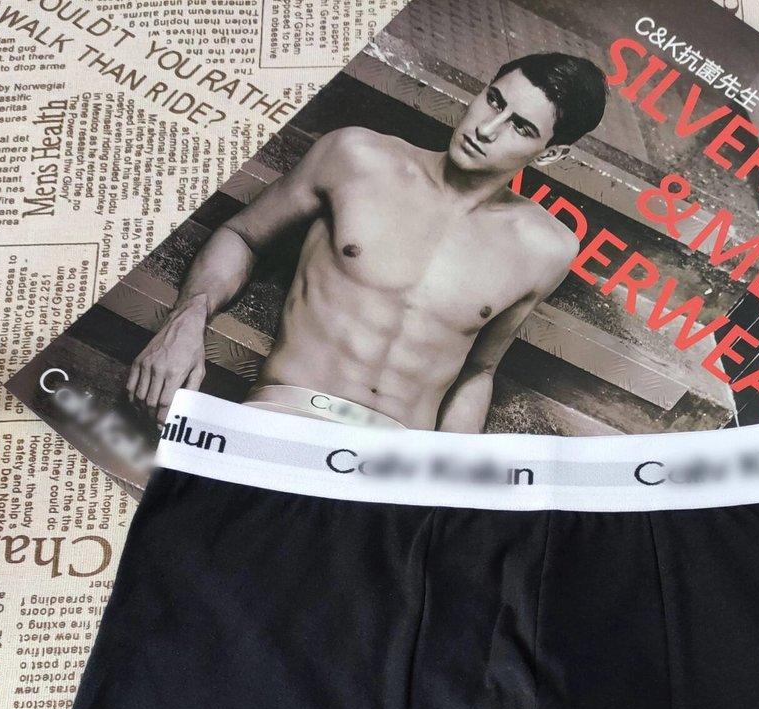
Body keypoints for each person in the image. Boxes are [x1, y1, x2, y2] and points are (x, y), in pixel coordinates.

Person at [127, 51, 607, 432]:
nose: (487, 128)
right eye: (495, 101)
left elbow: (479, 370)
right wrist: (188, 318)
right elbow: (243, 235)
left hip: (396, 461)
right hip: (288, 416)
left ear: (551, 153)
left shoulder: (545, 249)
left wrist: (454, 479)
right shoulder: (357, 157)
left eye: (520, 127)